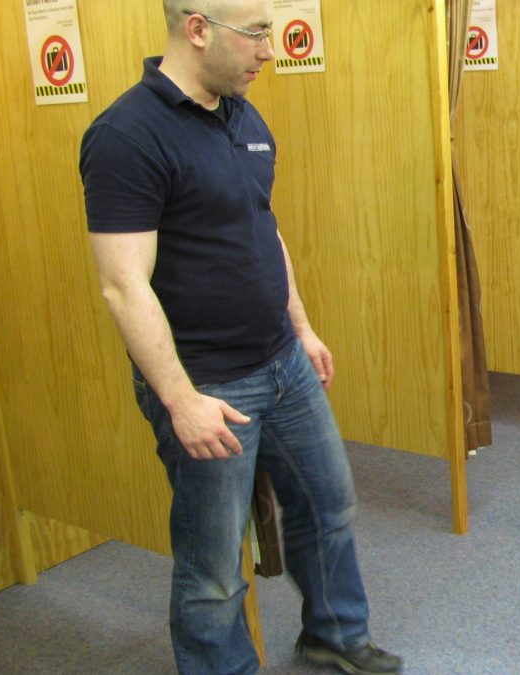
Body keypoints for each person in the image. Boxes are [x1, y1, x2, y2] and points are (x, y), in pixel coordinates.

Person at [79, 1, 401, 673]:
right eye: (256, 33)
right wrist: (179, 399)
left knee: (328, 502)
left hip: (282, 363)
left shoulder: (244, 116)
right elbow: (123, 285)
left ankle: (333, 633)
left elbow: (263, 226)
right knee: (215, 564)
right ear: (198, 29)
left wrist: (302, 327)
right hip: (207, 383)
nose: (269, 49)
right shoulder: (126, 135)